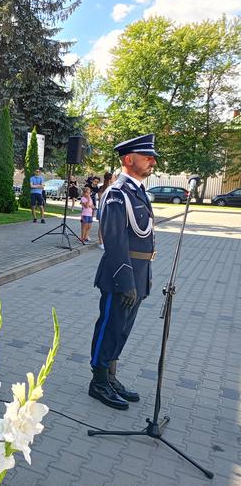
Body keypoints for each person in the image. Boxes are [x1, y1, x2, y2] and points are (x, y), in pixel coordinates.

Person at [89, 134, 158, 410]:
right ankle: (98, 382)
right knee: (110, 327)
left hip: (138, 273)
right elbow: (115, 242)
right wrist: (126, 280)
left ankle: (111, 376)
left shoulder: (138, 192)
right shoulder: (117, 194)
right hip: (121, 274)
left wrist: (141, 279)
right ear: (129, 160)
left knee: (123, 330)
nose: (152, 161)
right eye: (147, 157)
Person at [96, 172, 114, 249]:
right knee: (101, 226)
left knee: (109, 226)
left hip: (111, 209)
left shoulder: (114, 188)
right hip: (103, 209)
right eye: (113, 178)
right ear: (110, 179)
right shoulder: (102, 188)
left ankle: (107, 241)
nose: (114, 179)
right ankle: (101, 242)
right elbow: (101, 200)